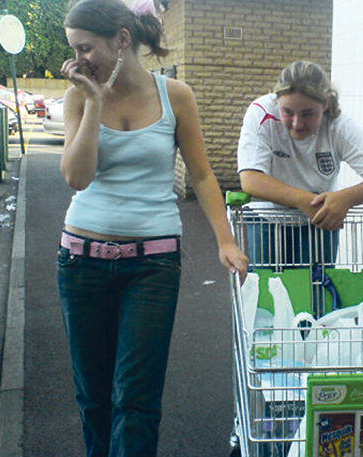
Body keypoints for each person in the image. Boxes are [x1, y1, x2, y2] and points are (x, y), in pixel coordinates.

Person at [56, 0, 248, 455]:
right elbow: (77, 177)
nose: (77, 61)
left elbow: (202, 175)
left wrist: (225, 240)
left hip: (153, 266)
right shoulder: (78, 97)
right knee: (93, 395)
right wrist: (94, 101)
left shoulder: (175, 95)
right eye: (74, 49)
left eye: (86, 48)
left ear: (122, 40)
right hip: (81, 262)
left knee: (137, 400)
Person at [237, 60, 363, 267]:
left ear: (325, 104)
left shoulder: (338, 125)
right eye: (287, 112)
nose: (297, 123)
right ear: (277, 102)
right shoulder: (261, 113)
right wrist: (305, 201)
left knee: (317, 286)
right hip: (267, 219)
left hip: (320, 220)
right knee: (270, 285)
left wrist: (344, 199)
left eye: (308, 113)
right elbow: (251, 179)